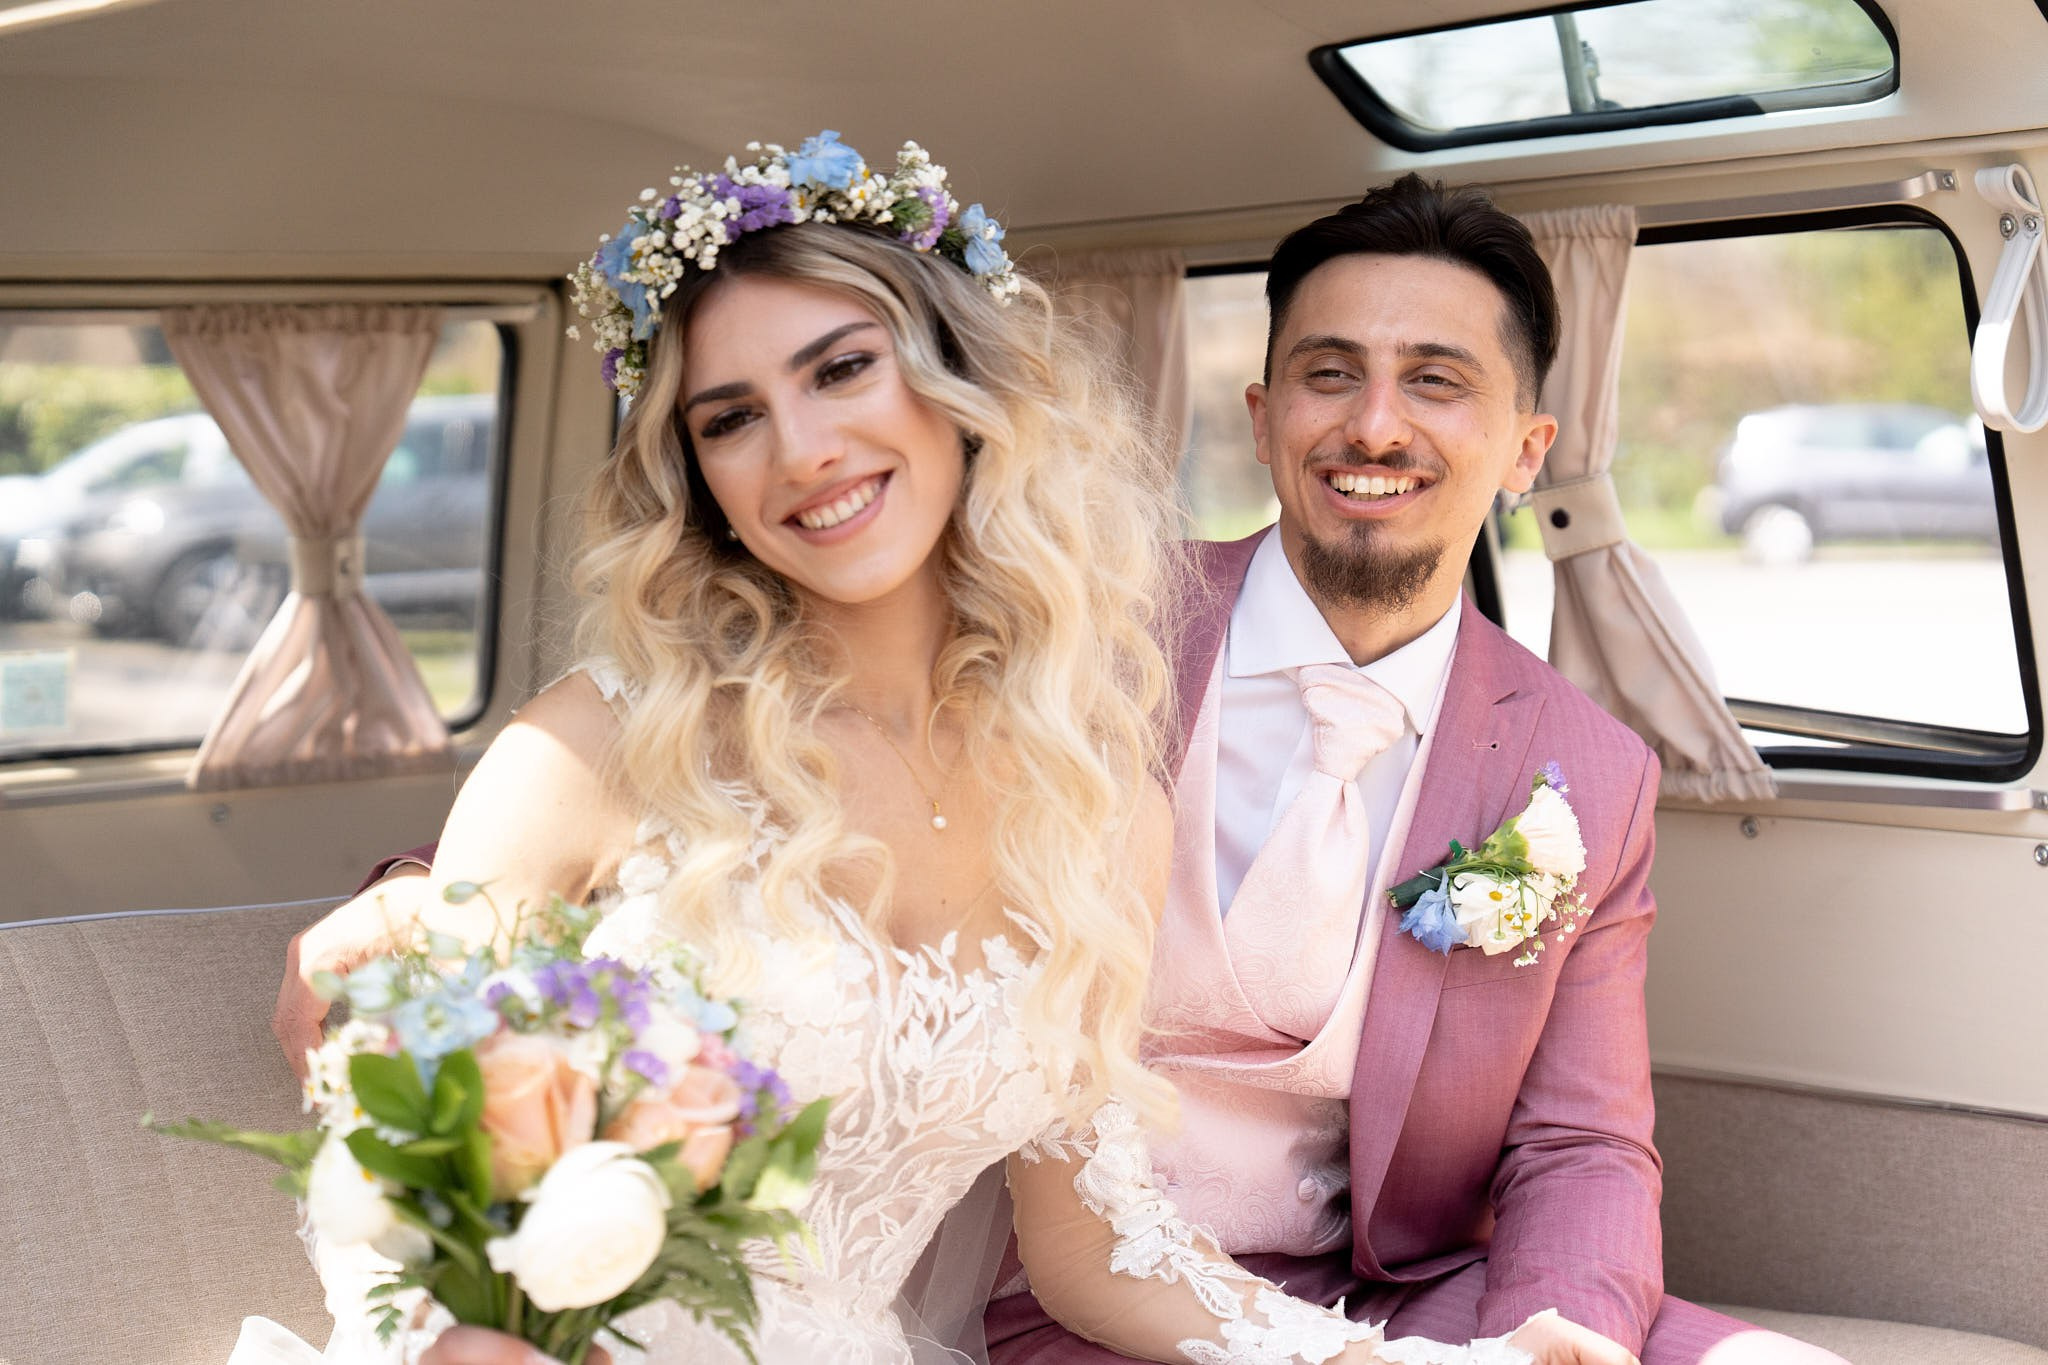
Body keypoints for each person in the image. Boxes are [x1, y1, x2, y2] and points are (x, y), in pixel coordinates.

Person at [265, 136, 1544, 1365]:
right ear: (697, 475)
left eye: (839, 371)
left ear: (959, 392)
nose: (802, 450)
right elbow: (394, 1187)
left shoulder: (1091, 803)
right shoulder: (598, 743)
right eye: (729, 419)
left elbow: (1094, 1247)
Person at [982, 176, 1845, 1365]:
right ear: (1261, 413)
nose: (1375, 427)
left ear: (1523, 449)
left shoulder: (1585, 772)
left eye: (1436, 381)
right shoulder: (1084, 642)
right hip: (1074, 1283)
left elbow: (1578, 1141)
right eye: (1329, 373)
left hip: (1382, 1289)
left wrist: (1564, 1335)